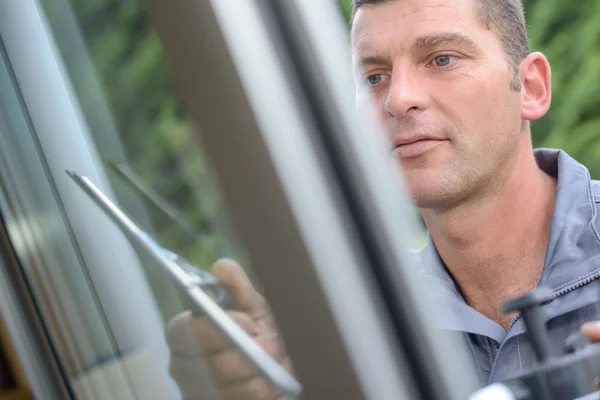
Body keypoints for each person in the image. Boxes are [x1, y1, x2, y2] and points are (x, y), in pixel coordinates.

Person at [166, 0, 600, 397]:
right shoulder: (355, 326)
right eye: (374, 77)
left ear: (531, 87)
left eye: (442, 59)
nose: (398, 99)